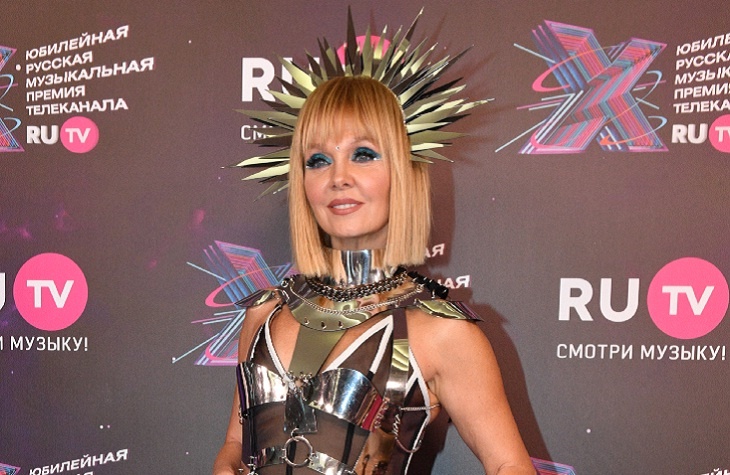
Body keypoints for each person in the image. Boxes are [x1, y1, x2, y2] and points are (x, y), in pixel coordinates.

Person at [214, 11, 535, 475]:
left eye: (363, 154)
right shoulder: (263, 314)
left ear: (404, 174)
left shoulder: (442, 334)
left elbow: (509, 464)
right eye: (318, 160)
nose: (338, 177)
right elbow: (233, 446)